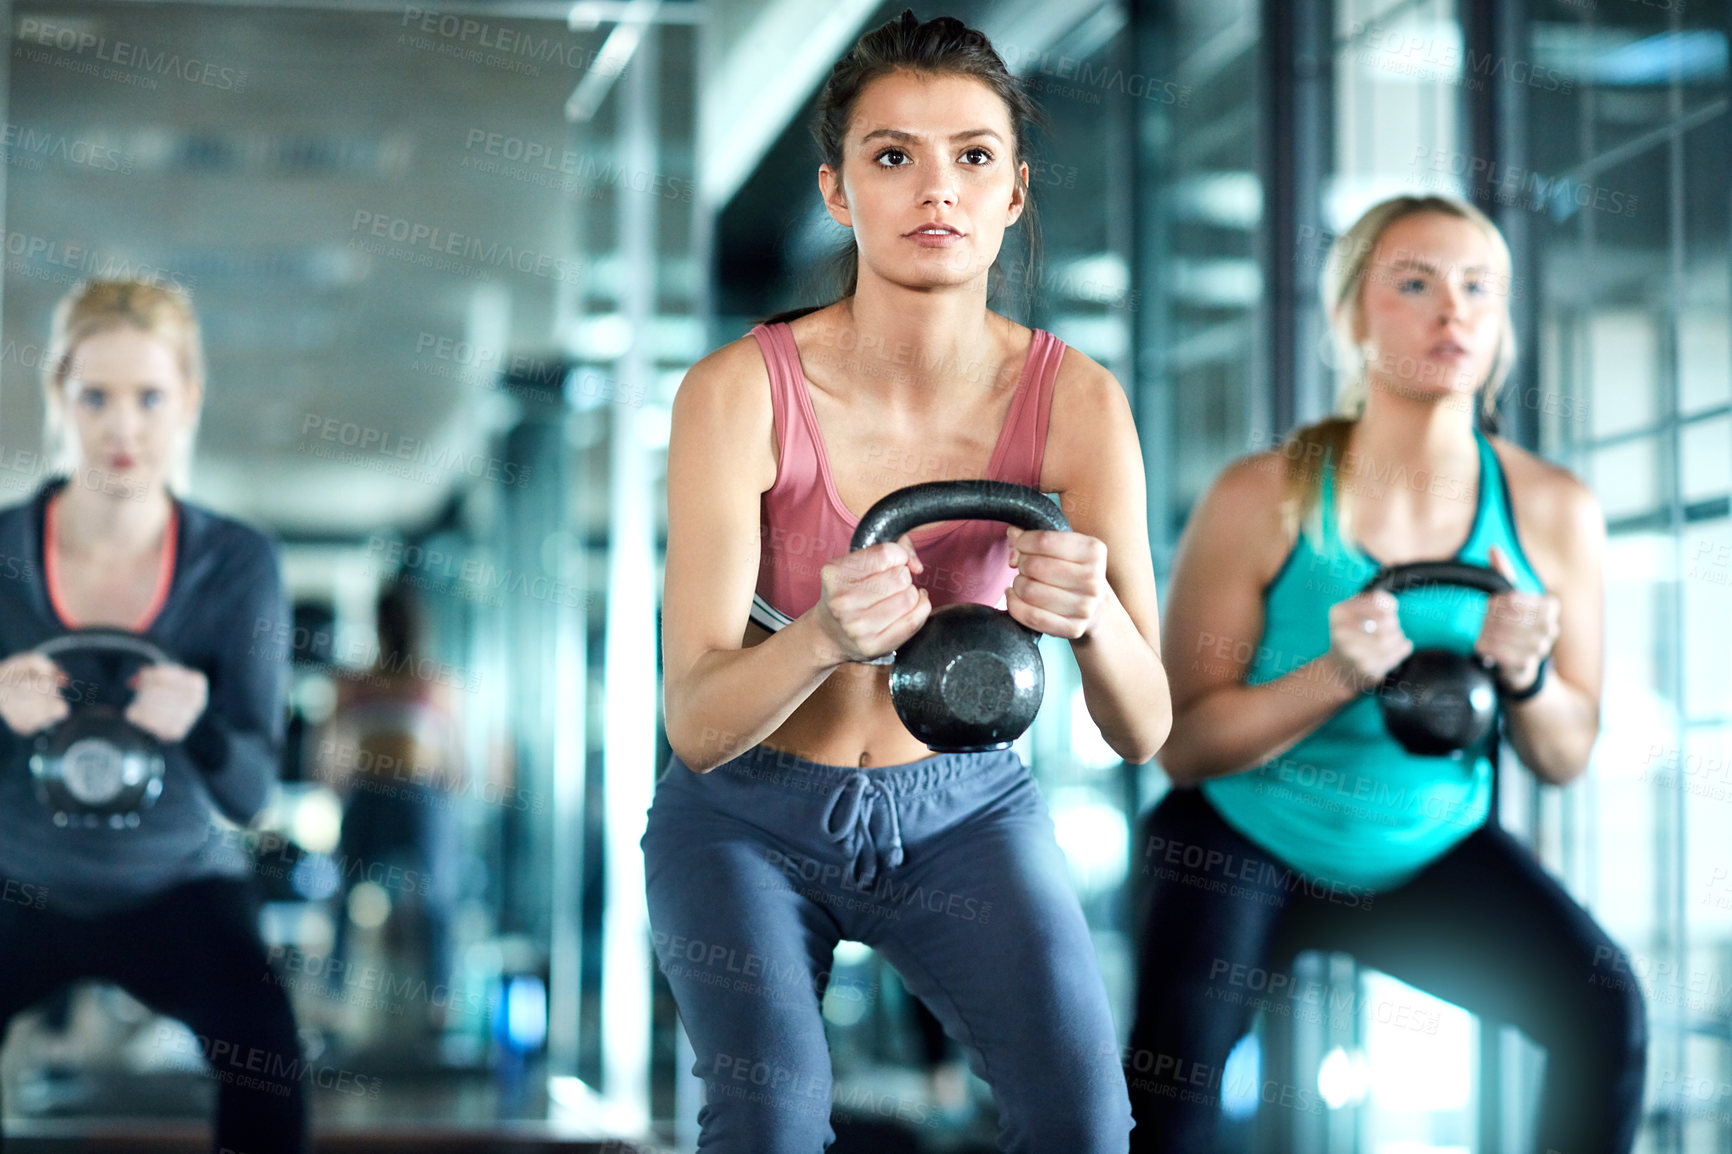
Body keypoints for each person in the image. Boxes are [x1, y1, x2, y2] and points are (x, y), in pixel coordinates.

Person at [643, 11, 1170, 1153]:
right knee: (768, 1123)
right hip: (745, 818)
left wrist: (1096, 623)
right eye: (893, 156)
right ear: (838, 191)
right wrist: (823, 633)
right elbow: (694, 722)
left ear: (1014, 193)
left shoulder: (1080, 404)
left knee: (1085, 1121)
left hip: (963, 810)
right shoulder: (734, 393)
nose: (938, 189)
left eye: (973, 156)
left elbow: (1144, 726)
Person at [1125, 195, 1646, 1151]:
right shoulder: (1264, 494)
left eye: (1479, 288)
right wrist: (1334, 674)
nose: (1454, 312)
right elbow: (1182, 746)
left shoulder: (1555, 510)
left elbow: (1566, 756)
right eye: (1414, 284)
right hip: (1246, 840)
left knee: (1605, 1011)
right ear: (1353, 318)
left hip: (1425, 847)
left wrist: (1527, 678)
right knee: (1169, 1092)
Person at [0, 279, 307, 1151]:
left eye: (149, 398)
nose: (122, 429)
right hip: (16, 876)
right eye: (95, 396)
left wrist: (201, 725)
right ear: (59, 397)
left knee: (269, 1063)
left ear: (188, 403)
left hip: (176, 884)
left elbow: (252, 796)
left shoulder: (237, 565)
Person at [315, 579, 463, 1037]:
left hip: (414, 797)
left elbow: (453, 754)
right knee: (349, 898)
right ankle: (338, 999)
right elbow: (330, 743)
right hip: (380, 793)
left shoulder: (429, 681)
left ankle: (439, 1002)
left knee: (435, 902)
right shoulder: (359, 681)